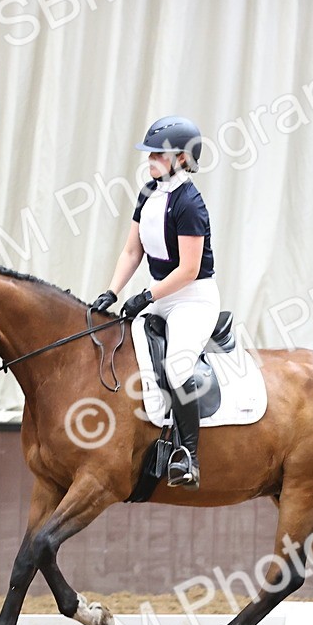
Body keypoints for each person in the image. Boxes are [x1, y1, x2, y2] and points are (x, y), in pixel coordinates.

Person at [89, 116, 218, 490]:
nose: (150, 160)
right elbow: (132, 251)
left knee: (177, 369)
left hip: (192, 300)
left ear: (181, 158)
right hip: (161, 296)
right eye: (149, 154)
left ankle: (188, 456)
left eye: (158, 154)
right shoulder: (148, 193)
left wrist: (146, 295)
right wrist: (112, 291)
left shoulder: (190, 203)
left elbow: (190, 269)